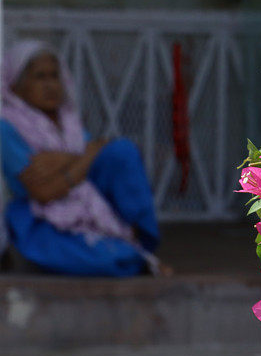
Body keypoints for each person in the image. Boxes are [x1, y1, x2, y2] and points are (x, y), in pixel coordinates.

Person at [1, 40, 164, 276]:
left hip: (86, 199)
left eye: (54, 76)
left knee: (122, 151)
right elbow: (44, 193)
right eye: (40, 77)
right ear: (16, 86)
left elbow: (99, 148)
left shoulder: (68, 122)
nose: (50, 85)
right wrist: (83, 158)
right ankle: (133, 256)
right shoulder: (7, 127)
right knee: (100, 258)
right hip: (41, 216)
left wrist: (64, 159)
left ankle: (141, 241)